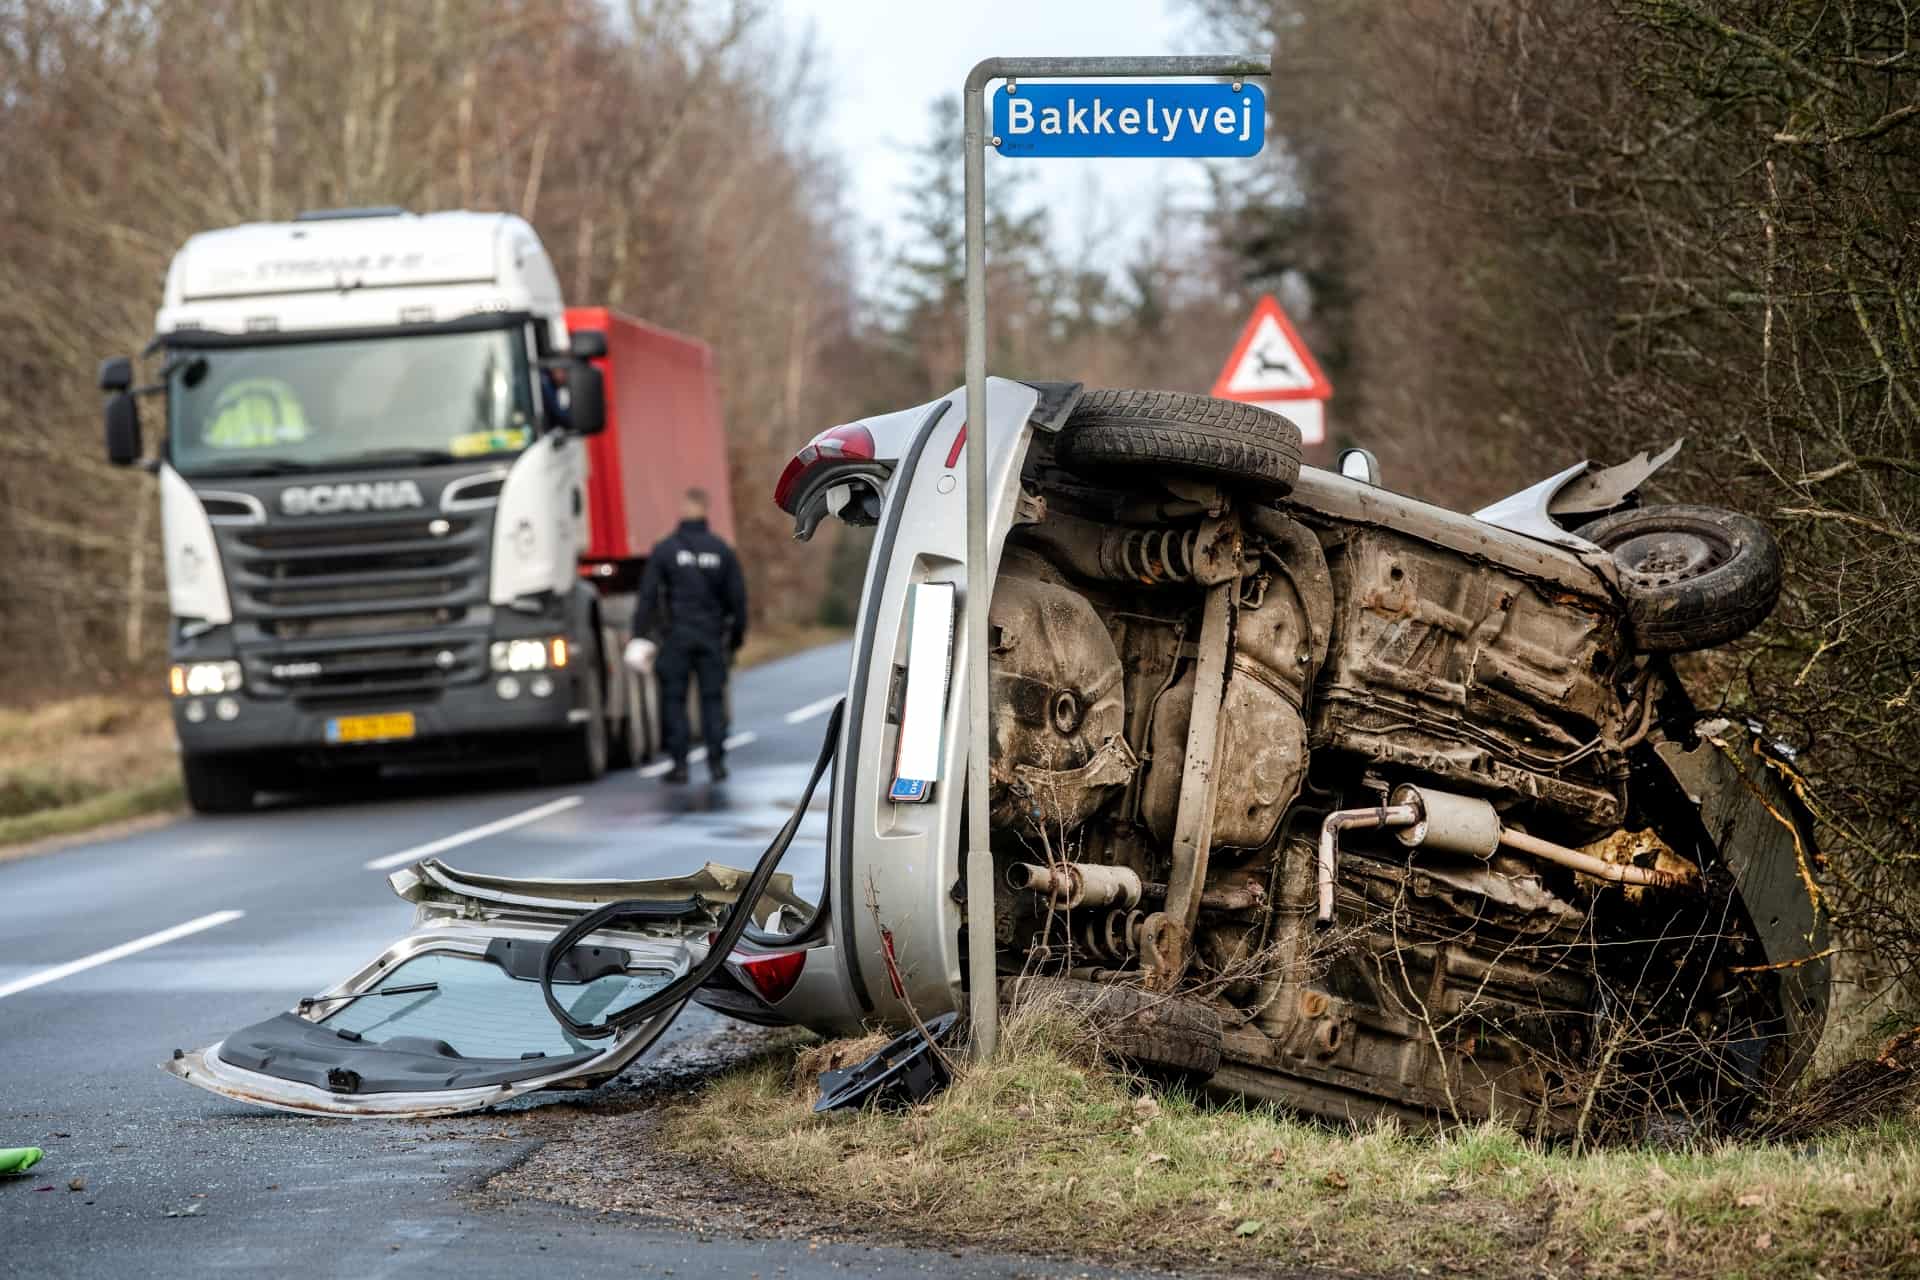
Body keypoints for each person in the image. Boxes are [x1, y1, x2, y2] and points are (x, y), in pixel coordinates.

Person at [625, 489, 747, 783]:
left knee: (674, 700)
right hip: (710, 637)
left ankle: (680, 766)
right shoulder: (721, 551)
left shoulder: (665, 550)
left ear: (682, 511)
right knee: (712, 701)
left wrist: (639, 635)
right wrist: (734, 641)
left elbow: (648, 596)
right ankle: (716, 764)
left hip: (675, 638)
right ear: (706, 511)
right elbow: (738, 602)